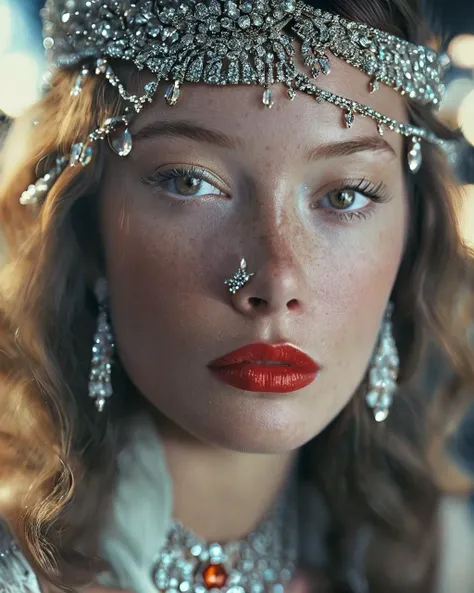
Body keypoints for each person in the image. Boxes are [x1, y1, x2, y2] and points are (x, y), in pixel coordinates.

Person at [0, 0, 473, 591]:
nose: (275, 281)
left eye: (346, 194)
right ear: (85, 225)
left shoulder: (433, 561)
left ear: (414, 233)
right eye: (189, 181)